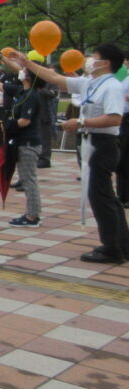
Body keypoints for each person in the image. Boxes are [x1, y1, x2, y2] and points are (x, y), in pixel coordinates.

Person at [13, 44, 129, 263]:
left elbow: (115, 118)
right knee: (104, 197)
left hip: (103, 144)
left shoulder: (111, 86)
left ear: (105, 63)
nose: (89, 60)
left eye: (94, 57)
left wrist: (82, 122)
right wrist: (26, 62)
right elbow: (55, 78)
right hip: (91, 142)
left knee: (101, 198)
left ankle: (112, 249)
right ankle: (122, 244)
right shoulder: (90, 83)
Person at [0, 61, 44, 227]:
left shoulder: (32, 95)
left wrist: (7, 124)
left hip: (28, 142)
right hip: (19, 141)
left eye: (24, 70)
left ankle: (32, 216)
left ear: (30, 75)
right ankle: (31, 213)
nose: (20, 72)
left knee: (28, 179)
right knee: (26, 178)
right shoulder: (21, 91)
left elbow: (24, 121)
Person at [118, 71, 129, 206]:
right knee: (123, 159)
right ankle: (123, 195)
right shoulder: (125, 77)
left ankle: (125, 196)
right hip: (124, 118)